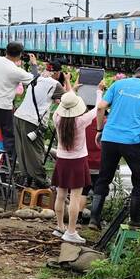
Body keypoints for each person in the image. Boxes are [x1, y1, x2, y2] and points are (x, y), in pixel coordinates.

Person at [89, 66, 140, 229]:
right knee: (139, 181)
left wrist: (99, 130)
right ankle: (135, 219)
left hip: (109, 138)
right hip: (132, 141)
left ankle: (94, 219)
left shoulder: (118, 85)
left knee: (104, 178)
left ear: (135, 75)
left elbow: (101, 107)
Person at [51, 85, 103, 244]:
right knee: (74, 197)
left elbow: (67, 104)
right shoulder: (81, 121)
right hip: (78, 162)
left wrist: (72, 89)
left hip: (61, 160)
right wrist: (99, 92)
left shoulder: (56, 118)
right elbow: (96, 110)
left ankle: (59, 227)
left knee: (60, 196)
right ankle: (71, 231)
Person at [0, 42, 38, 164]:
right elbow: (34, 80)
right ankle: (10, 159)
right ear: (20, 55)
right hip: (3, 106)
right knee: (8, 133)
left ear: (6, 50)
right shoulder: (17, 71)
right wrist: (34, 65)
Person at [13, 60, 66, 187]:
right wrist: (69, 82)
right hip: (32, 121)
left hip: (18, 116)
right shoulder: (55, 84)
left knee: (23, 151)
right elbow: (69, 100)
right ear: (57, 72)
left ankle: (26, 179)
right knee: (36, 151)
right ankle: (40, 180)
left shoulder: (36, 79)